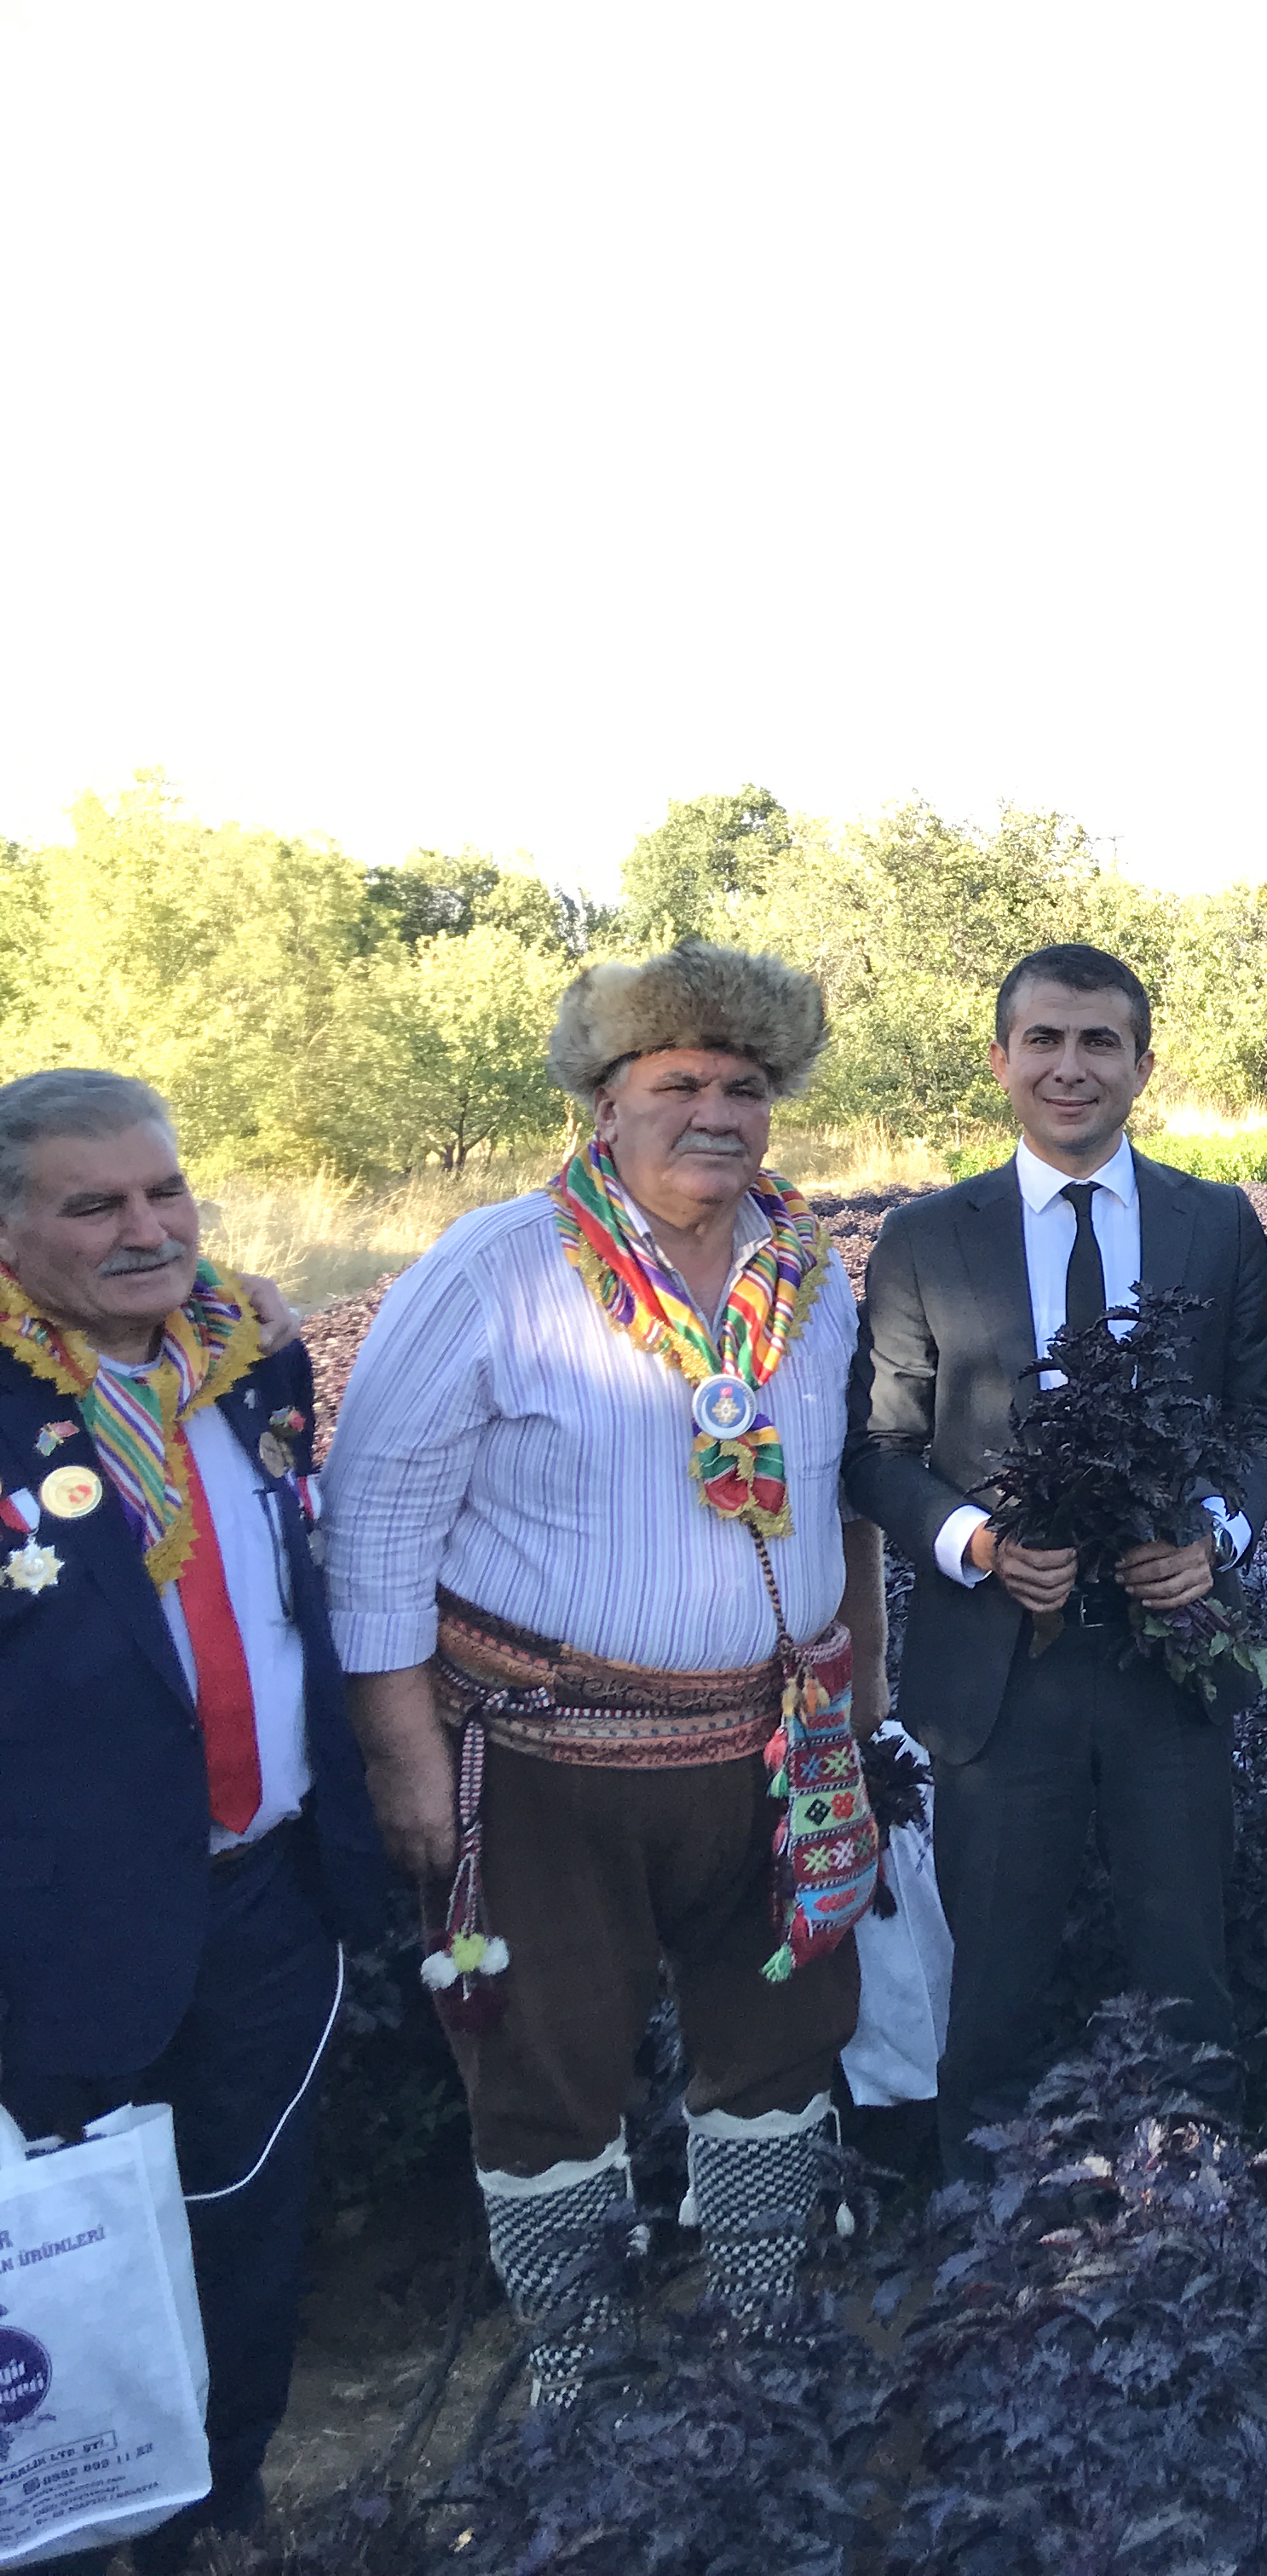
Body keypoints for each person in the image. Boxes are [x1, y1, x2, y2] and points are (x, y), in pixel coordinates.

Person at [327, 941, 884, 2406]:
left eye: (745, 1083)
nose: (718, 1108)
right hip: (543, 1757)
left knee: (779, 2039)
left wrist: (860, 1692)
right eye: (679, 1080)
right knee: (546, 2065)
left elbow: (840, 1504)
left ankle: (763, 2325)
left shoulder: (809, 1272)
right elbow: (378, 1511)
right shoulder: (495, 1263)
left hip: (772, 1749)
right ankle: (576, 2364)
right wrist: (398, 1753)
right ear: (604, 1100)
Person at [0, 1071, 389, 2572]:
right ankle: (70, 2522)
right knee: (71, 2246)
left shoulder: (252, 1363)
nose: (146, 1225)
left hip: (263, 1894)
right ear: (15, 1226)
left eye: (165, 1189)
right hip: (57, 1919)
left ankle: (222, 2507)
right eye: (96, 1202)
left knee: (245, 2223)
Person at [845, 944, 1267, 2171]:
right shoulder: (926, 1238)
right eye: (1044, 1040)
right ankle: (979, 2240)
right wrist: (975, 1542)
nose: (1071, 1067)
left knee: (1185, 1965)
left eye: (1100, 1043)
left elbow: (1258, 1423)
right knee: (990, 1977)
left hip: (1169, 1664)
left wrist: (1212, 1538)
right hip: (997, 1675)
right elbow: (877, 1450)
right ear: (1000, 1061)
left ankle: (1201, 2211)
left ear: (1144, 1063)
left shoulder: (1214, 1227)